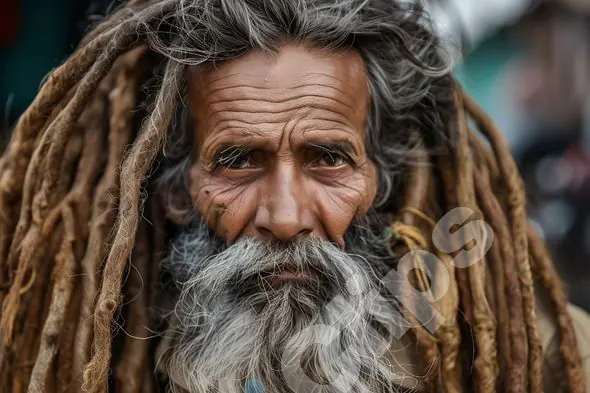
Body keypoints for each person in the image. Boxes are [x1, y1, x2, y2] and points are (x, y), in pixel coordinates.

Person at [0, 1, 588, 392]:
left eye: (329, 159)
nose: (285, 217)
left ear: (377, 180)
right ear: (178, 190)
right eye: (236, 161)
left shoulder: (535, 359)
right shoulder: (64, 364)